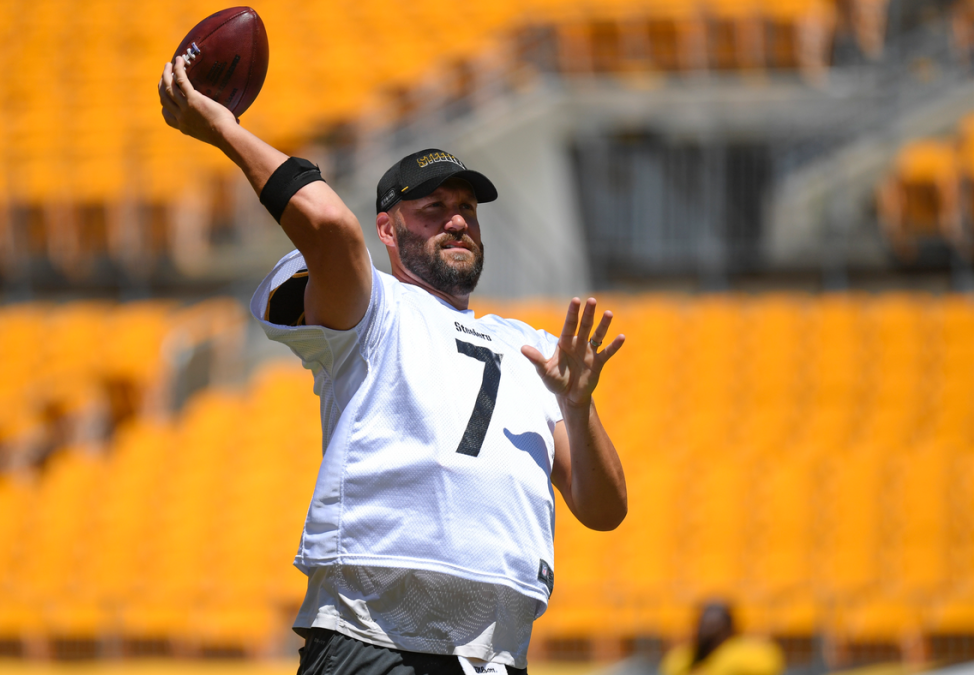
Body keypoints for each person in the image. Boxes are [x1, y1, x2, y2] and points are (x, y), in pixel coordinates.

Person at [160, 56, 628, 675]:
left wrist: (578, 404)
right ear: (386, 227)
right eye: (432, 208)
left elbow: (604, 510)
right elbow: (327, 225)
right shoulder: (376, 308)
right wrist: (222, 128)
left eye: (467, 207)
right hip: (374, 634)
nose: (458, 219)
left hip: (495, 654)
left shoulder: (532, 346)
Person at [660, 602, 785, 675]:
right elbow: (670, 667)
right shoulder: (687, 655)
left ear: (730, 627)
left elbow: (771, 663)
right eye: (704, 624)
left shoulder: (744, 651)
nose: (708, 631)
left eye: (715, 626)